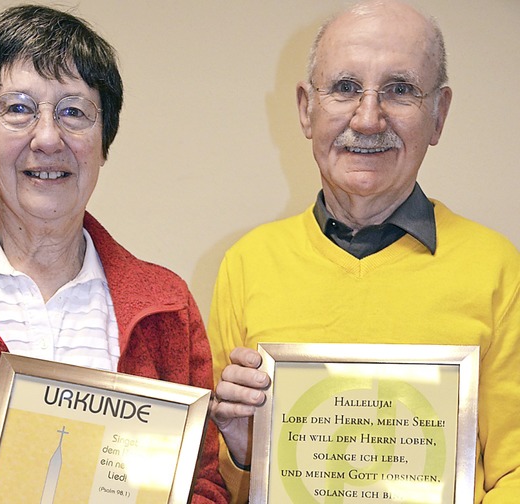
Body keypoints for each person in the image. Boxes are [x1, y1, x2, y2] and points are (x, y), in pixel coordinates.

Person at [0, 5, 228, 503]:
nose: (47, 138)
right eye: (19, 108)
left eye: (74, 111)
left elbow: (202, 486)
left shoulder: (167, 308)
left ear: (103, 139)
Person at [208, 1, 520, 502]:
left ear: (438, 115)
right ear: (306, 109)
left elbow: (515, 473)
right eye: (345, 88)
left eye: (400, 90)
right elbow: (221, 485)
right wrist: (246, 451)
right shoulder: (248, 263)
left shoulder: (497, 270)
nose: (369, 118)